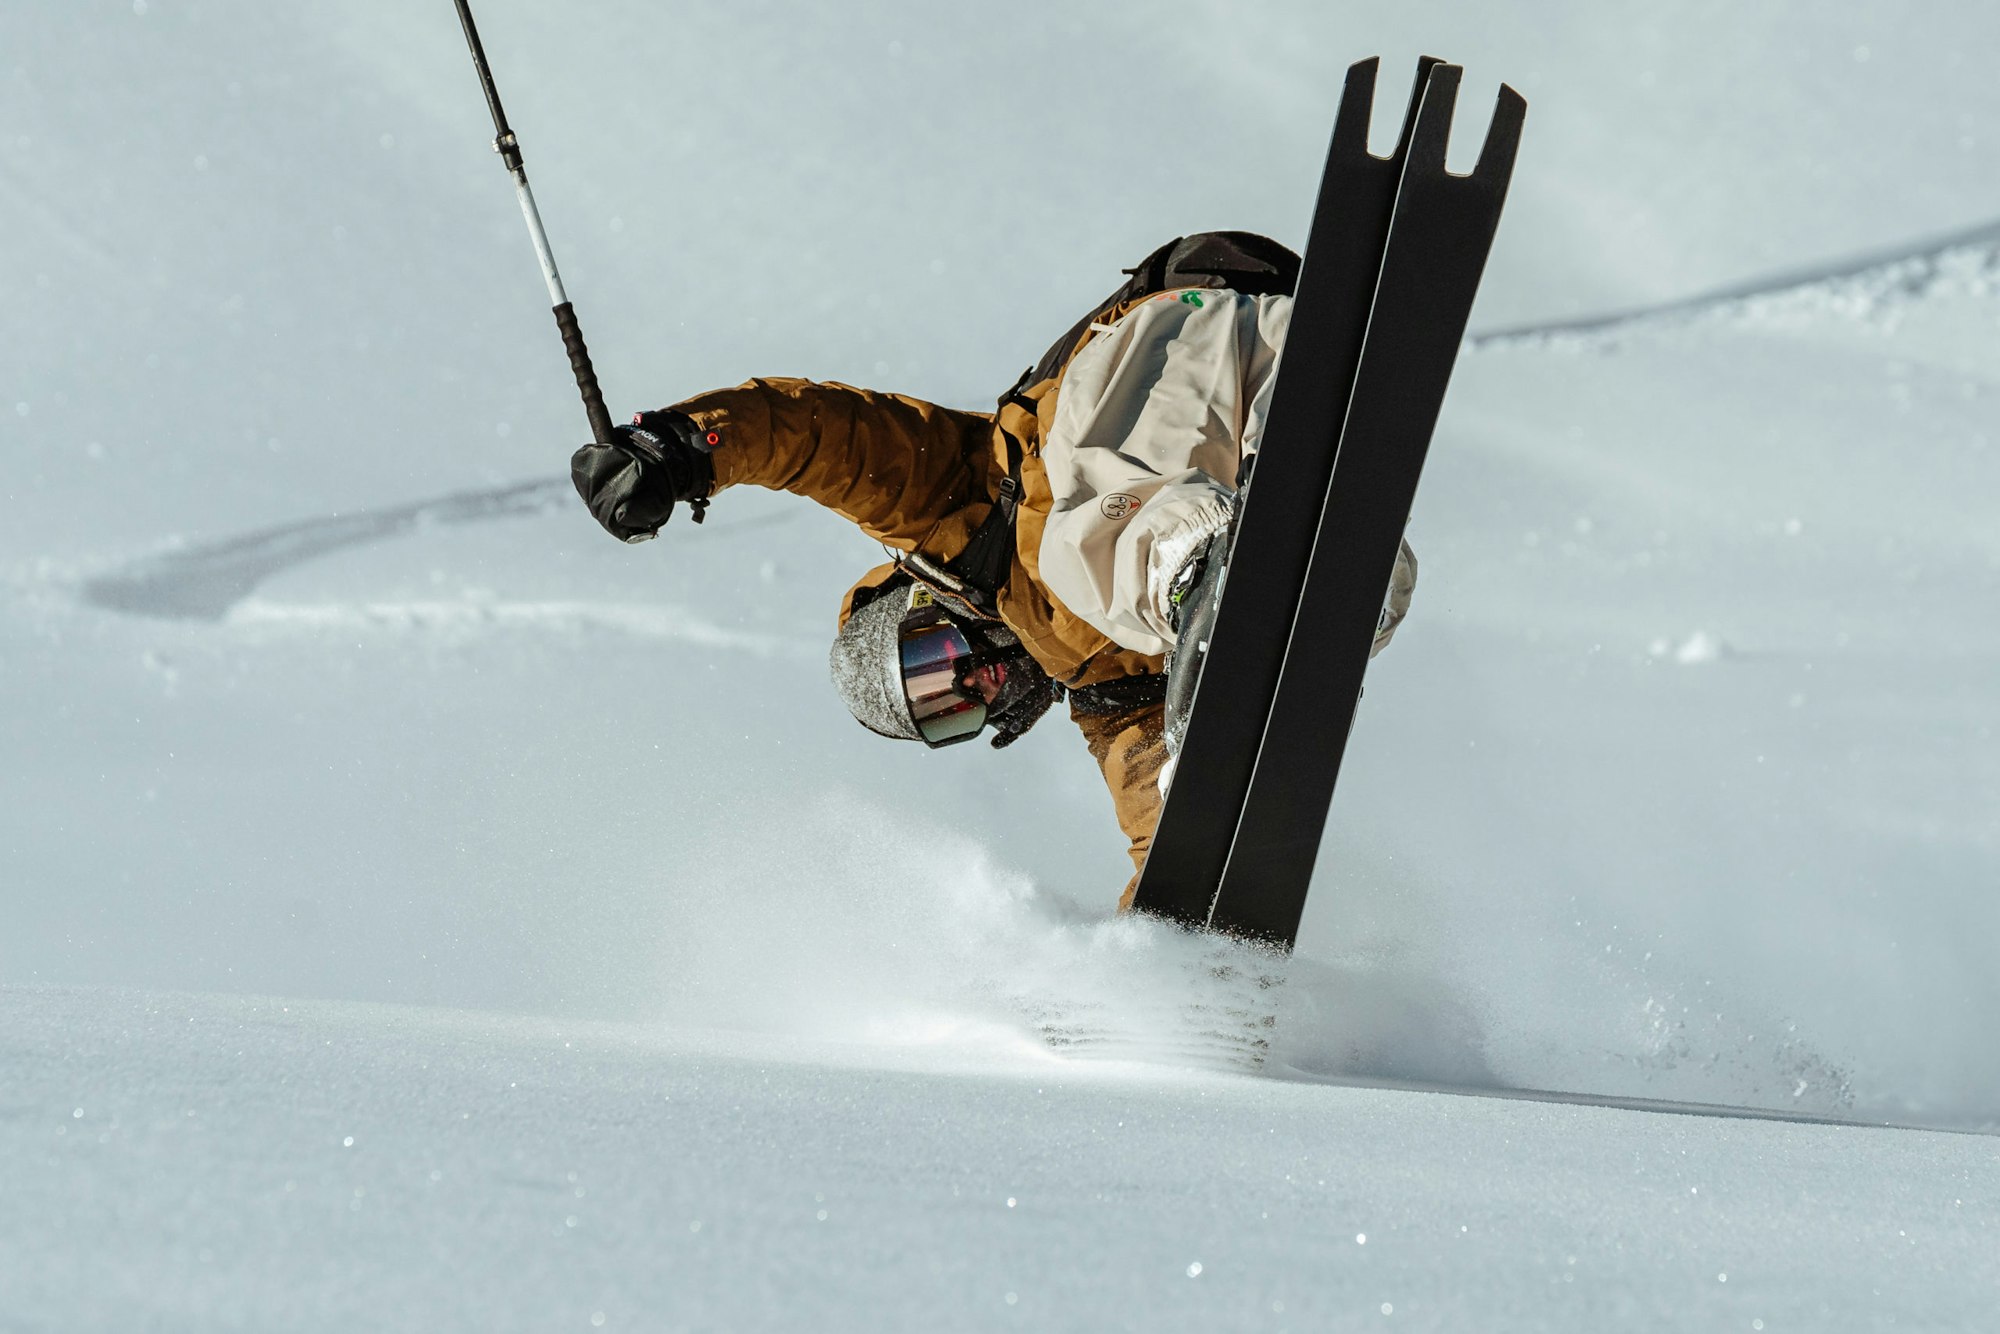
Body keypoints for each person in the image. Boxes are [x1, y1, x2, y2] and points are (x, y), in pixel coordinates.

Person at [570, 233, 1415, 908]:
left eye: (933, 664)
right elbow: (1170, 853)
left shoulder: (959, 510)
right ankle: (1339, 595)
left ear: (921, 603)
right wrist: (1163, 972)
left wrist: (681, 449)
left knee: (1075, 547)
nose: (973, 682)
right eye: (947, 712)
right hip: (1292, 411)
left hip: (1183, 344)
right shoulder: (1110, 696)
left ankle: (1210, 574)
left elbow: (821, 435)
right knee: (1175, 770)